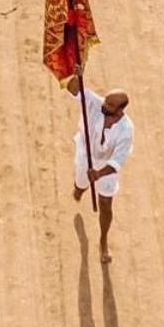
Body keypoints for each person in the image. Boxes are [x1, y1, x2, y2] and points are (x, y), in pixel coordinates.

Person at [65, 76, 132, 264]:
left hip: (106, 168)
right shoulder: (96, 103)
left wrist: (99, 173)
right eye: (106, 100)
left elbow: (118, 161)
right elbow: (73, 89)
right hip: (85, 156)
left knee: (105, 204)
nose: (104, 104)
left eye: (110, 105)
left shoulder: (126, 130)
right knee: (80, 185)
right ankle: (79, 188)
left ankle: (103, 240)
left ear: (119, 111)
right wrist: (78, 72)